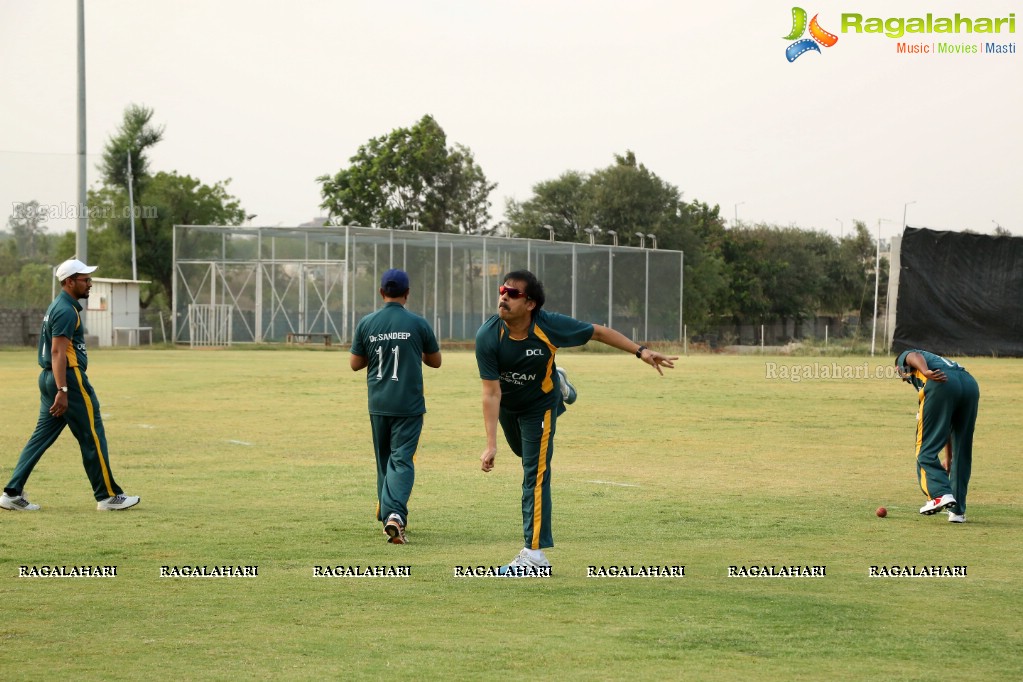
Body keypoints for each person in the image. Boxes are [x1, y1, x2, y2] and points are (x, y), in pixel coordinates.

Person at [475, 270, 678, 574]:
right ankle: (559, 382)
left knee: (535, 473)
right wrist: (491, 445)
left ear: (530, 303)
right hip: (509, 406)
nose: (503, 296)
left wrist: (642, 351)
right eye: (502, 290)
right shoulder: (488, 335)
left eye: (513, 293)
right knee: (519, 452)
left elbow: (598, 332)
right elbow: (491, 394)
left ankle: (533, 556)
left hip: (538, 408)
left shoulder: (549, 325)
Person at [1, 259, 140, 512]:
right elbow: (57, 352)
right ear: (69, 282)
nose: (90, 283)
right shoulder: (65, 310)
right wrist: (63, 390)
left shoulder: (60, 306)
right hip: (68, 379)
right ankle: (108, 496)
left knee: (40, 438)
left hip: (49, 379)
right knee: (92, 434)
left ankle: (11, 493)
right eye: (85, 279)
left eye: (89, 279)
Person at [350, 268, 441, 544]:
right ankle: (395, 517)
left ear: (381, 293)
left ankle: (387, 513)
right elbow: (435, 361)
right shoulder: (418, 323)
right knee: (401, 460)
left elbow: (355, 363)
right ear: (407, 294)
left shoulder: (367, 322)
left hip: (378, 402)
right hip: (409, 404)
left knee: (383, 461)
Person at [895, 348, 980, 523]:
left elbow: (913, 356)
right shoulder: (940, 361)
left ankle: (939, 495)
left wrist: (925, 371)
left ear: (899, 369)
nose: (904, 380)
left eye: (901, 376)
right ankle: (957, 512)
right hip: (970, 384)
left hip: (941, 383)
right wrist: (948, 458)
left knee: (924, 449)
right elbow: (945, 425)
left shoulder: (906, 361)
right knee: (961, 453)